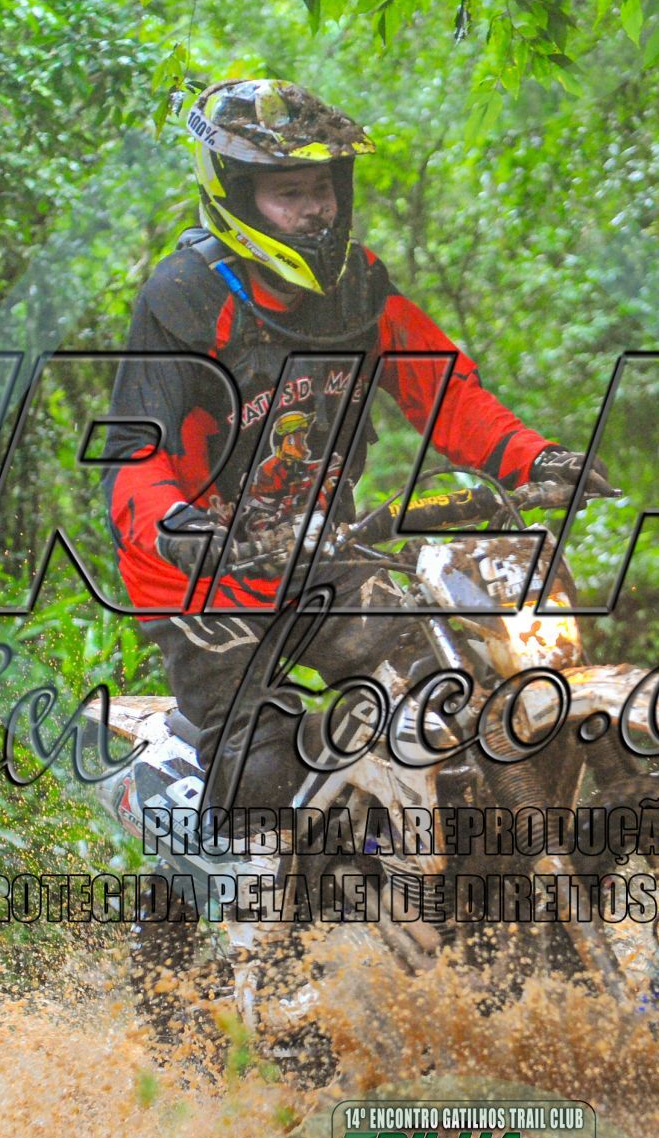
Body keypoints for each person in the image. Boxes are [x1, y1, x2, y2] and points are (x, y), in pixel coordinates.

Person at [100, 78, 606, 824]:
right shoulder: (186, 299)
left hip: (323, 550)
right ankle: (260, 881)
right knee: (264, 773)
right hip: (202, 579)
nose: (315, 210)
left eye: (323, 189)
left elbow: (446, 392)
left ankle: (423, 856)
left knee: (445, 696)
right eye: (289, 192)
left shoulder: (359, 290)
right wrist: (178, 527)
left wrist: (536, 458)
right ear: (236, 196)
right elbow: (132, 453)